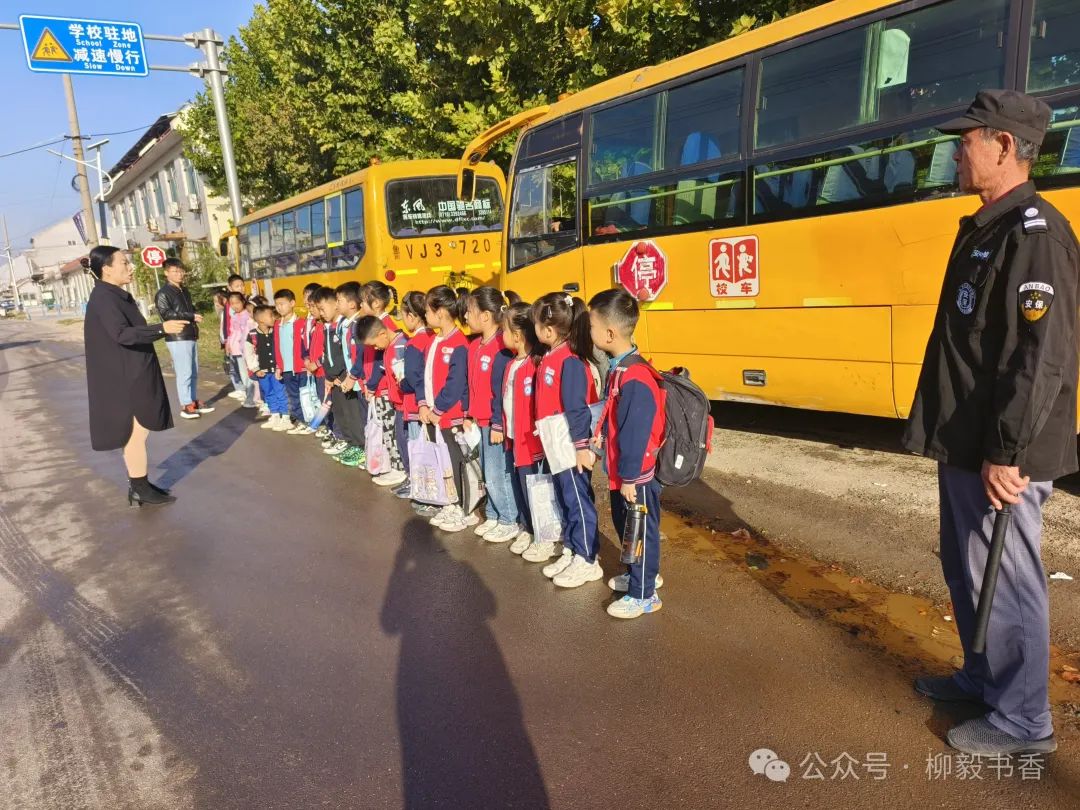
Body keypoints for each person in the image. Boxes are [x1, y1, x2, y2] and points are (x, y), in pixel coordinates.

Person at [903, 89, 1078, 757]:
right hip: (966, 440)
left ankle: (1024, 721)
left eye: (968, 138)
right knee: (968, 567)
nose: (956, 149)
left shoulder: (1036, 234)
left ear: (1005, 146)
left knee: (1006, 575)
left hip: (1002, 451)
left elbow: (1042, 359)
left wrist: (1009, 451)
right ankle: (982, 676)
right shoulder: (989, 226)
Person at [82, 246, 189, 506]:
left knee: (138, 430)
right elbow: (121, 334)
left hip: (130, 371)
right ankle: (139, 486)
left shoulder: (115, 295)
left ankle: (139, 483)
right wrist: (161, 328)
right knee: (134, 431)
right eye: (124, 262)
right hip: (123, 377)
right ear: (106, 268)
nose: (130, 267)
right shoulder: (105, 298)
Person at [589, 289, 666, 618]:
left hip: (637, 475)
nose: (589, 333)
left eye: (591, 325)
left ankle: (644, 593)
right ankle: (641, 574)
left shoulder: (634, 376)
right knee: (627, 525)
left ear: (610, 333)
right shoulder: (621, 369)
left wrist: (631, 478)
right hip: (624, 471)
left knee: (640, 530)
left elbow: (635, 433)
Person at [529, 293, 600, 587]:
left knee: (577, 500)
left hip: (571, 443)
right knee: (565, 497)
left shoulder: (570, 361)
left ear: (548, 330)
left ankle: (587, 558)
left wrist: (583, 447)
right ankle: (573, 547)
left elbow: (577, 408)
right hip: (555, 440)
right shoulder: (553, 355)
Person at [464, 287, 519, 544]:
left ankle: (508, 518)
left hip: (495, 422)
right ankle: (494, 514)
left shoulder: (501, 346)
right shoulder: (476, 344)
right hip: (481, 419)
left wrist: (498, 422)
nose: (465, 316)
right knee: (488, 471)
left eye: (470, 311)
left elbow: (500, 389)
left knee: (498, 472)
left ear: (486, 316)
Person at [417, 285, 471, 533]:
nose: (424, 315)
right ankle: (449, 501)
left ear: (440, 312)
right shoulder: (435, 340)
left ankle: (460, 505)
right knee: (442, 459)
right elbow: (425, 375)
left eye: (428, 310)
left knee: (454, 459)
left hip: (449, 415)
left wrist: (438, 408)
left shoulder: (459, 343)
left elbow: (456, 382)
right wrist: (424, 404)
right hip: (434, 413)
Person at [499, 301, 545, 556]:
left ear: (517, 336)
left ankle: (541, 533)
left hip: (531, 442)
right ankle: (527, 527)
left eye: (503, 330)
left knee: (534, 488)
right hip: (515, 438)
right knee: (520, 485)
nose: (500, 336)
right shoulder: (511, 364)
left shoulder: (535, 365)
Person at [154, 258, 212, 420]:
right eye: (175, 271)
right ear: (166, 273)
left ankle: (193, 400)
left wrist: (194, 314)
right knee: (184, 372)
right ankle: (185, 405)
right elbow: (166, 314)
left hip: (190, 334)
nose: (179, 274)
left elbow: (188, 309)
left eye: (181, 271)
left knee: (193, 371)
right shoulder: (163, 293)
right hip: (177, 335)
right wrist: (191, 316)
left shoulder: (183, 291)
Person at [356, 315, 409, 488]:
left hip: (402, 402)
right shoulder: (389, 346)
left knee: (396, 436)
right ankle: (398, 467)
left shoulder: (400, 346)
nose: (375, 348)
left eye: (374, 344)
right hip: (396, 400)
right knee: (392, 434)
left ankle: (401, 469)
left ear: (382, 334)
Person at [398, 291, 437, 514]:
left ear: (412, 316)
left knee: (420, 451)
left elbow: (413, 377)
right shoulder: (434, 337)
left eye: (403, 315)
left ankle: (426, 494)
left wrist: (401, 383)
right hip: (434, 404)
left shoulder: (415, 343)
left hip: (416, 405)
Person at [332, 282, 367, 468]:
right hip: (350, 378)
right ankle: (357, 446)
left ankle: (364, 449)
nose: (337, 305)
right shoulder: (346, 325)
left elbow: (359, 356)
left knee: (361, 416)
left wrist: (352, 376)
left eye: (340, 301)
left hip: (359, 381)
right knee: (354, 415)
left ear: (352, 304)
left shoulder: (358, 325)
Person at [246, 305, 291, 431]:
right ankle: (275, 415)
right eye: (270, 315)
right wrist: (255, 369)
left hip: (276, 370)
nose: (273, 317)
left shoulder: (277, 330)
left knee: (280, 392)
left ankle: (286, 417)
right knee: (269, 393)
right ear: (261, 320)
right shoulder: (252, 335)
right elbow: (249, 354)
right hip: (262, 372)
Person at [272, 289, 308, 433]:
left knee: (304, 394)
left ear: (292, 303)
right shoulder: (277, 324)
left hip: (300, 367)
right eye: (277, 304)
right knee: (293, 396)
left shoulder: (301, 323)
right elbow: (277, 346)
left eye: (282, 304)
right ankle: (299, 420)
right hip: (286, 368)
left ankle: (307, 421)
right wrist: (278, 366)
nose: (279, 307)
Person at [225, 292, 256, 409]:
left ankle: (251, 397)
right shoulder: (233, 316)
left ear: (243, 302)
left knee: (249, 373)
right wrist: (228, 344)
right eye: (232, 303)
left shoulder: (247, 315)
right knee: (243, 374)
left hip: (246, 349)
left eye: (237, 303)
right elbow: (231, 332)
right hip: (236, 350)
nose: (235, 306)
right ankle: (249, 395)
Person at [221, 274, 248, 400]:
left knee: (245, 368)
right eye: (237, 286)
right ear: (230, 288)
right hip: (233, 342)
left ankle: (248, 391)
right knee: (234, 367)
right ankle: (240, 388)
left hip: (244, 344)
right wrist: (226, 341)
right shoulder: (229, 305)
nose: (241, 288)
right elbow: (227, 325)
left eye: (242, 285)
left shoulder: (246, 304)